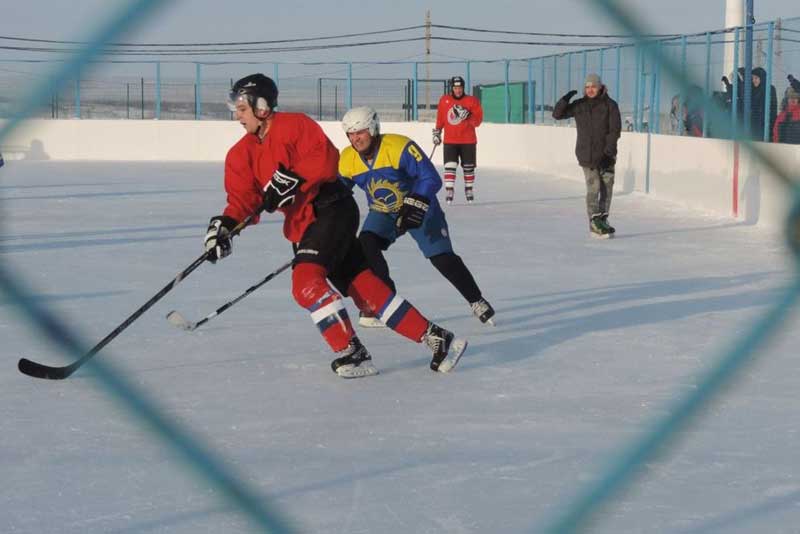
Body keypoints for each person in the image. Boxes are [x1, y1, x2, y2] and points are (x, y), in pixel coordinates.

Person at [204, 74, 467, 378]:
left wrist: (295, 177)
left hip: (332, 210)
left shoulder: (295, 125)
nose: (237, 115)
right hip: (303, 225)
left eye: (241, 108)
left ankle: (351, 352)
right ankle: (439, 340)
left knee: (305, 282)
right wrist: (226, 227)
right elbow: (243, 200)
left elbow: (328, 161)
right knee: (366, 291)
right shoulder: (239, 155)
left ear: (262, 107)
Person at [338, 106, 496, 328]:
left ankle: (475, 299)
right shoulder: (347, 158)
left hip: (419, 207)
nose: (356, 139)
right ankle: (385, 301)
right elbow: (338, 192)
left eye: (360, 132)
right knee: (366, 243)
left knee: (442, 258)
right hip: (383, 212)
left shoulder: (399, 146)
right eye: (351, 134)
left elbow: (430, 178)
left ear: (373, 129)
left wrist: (417, 202)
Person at [552, 73, 622, 238]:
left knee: (607, 188)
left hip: (606, 155)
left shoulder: (610, 105)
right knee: (594, 187)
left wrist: (609, 152)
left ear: (600, 87)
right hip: (587, 154)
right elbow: (557, 114)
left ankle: (603, 219)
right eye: (587, 87)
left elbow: (614, 130)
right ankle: (594, 221)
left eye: (593, 86)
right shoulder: (579, 105)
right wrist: (565, 99)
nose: (590, 90)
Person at [433, 76, 483, 204]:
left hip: (468, 141)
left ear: (463, 88)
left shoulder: (472, 101)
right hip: (450, 141)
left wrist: (468, 115)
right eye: (455, 88)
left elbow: (477, 122)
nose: (458, 90)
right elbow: (440, 118)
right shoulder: (444, 100)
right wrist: (437, 132)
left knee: (468, 167)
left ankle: (469, 189)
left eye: (460, 88)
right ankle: (449, 190)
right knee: (450, 166)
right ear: (452, 88)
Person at [773, 76, 800, 144]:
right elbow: (776, 133)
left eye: (795, 97)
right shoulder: (781, 115)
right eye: (790, 97)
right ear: (787, 99)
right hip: (783, 149)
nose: (793, 99)